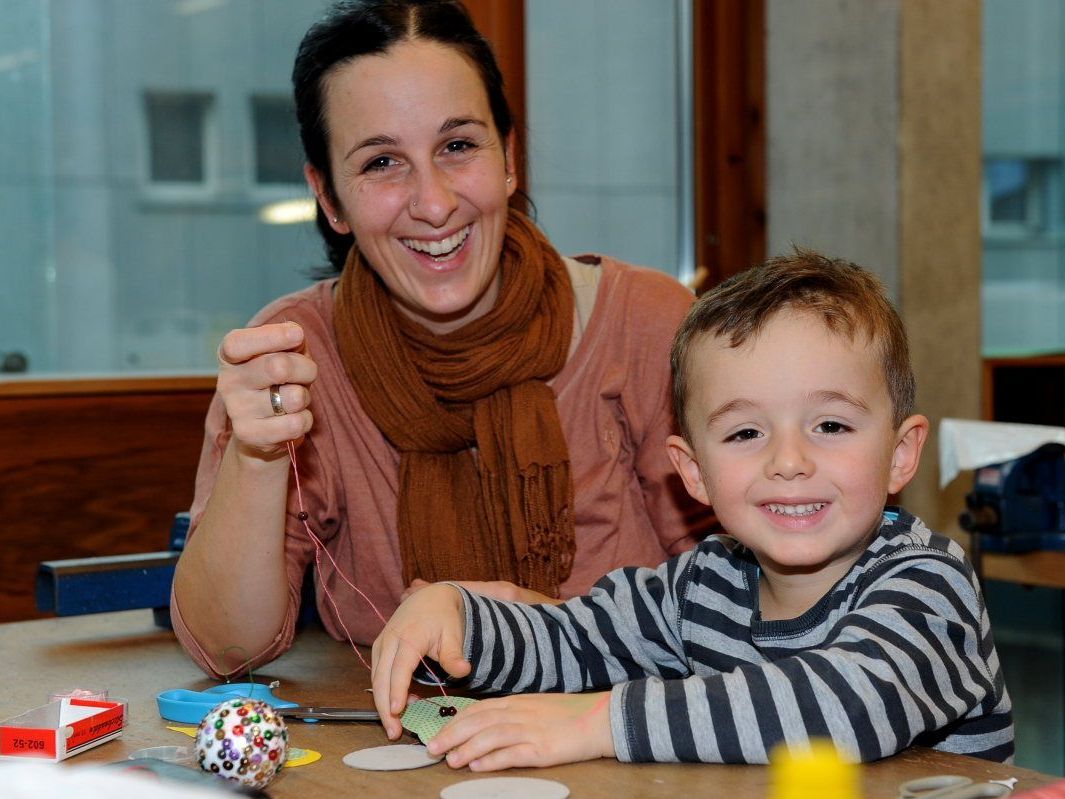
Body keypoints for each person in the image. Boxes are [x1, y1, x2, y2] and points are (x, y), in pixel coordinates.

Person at [171, 0, 710, 678]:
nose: (431, 203)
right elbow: (229, 647)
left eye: (457, 146)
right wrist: (254, 457)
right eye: (380, 163)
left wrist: (518, 626)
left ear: (508, 158)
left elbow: (757, 604)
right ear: (329, 198)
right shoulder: (288, 356)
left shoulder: (647, 323)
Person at [371, 250, 1015, 769]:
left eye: (831, 425)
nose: (788, 461)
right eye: (744, 434)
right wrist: (458, 615)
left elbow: (845, 707)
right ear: (694, 472)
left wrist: (600, 721)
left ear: (902, 454)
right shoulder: (702, 582)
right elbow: (576, 639)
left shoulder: (930, 585)